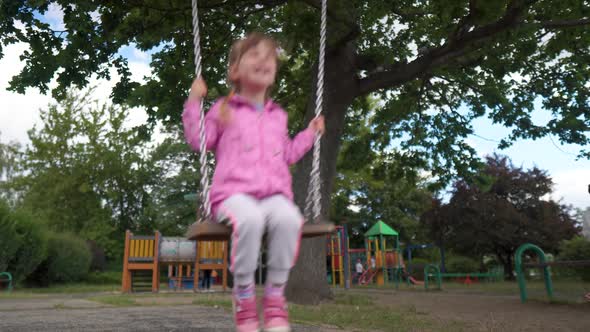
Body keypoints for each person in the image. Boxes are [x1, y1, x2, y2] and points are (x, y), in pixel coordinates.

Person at [183, 32, 325, 332]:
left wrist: (310, 133)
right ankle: (245, 296)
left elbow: (287, 154)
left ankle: (275, 296)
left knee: (290, 219)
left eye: (269, 56)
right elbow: (198, 140)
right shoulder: (223, 109)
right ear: (235, 70)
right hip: (233, 194)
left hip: (274, 194)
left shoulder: (278, 116)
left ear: (274, 72)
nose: (263, 59)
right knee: (250, 220)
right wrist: (194, 100)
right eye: (253, 54)